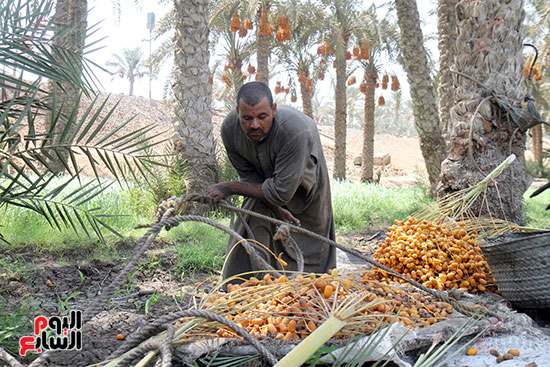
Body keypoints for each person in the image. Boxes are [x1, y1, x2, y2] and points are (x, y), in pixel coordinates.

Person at [206, 81, 336, 280]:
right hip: (266, 188)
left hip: (304, 185)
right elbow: (249, 179)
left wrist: (229, 187)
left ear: (274, 110)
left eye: (262, 117)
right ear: (237, 112)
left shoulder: (295, 132)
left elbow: (280, 192)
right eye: (247, 118)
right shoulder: (230, 130)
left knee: (308, 241)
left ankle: (305, 294)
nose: (254, 125)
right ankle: (253, 286)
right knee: (253, 218)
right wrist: (275, 208)